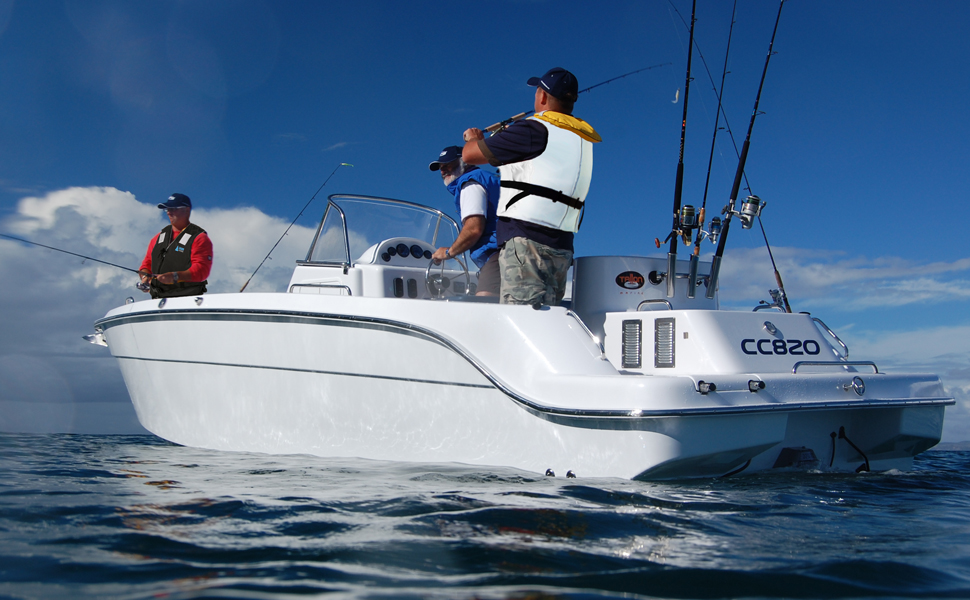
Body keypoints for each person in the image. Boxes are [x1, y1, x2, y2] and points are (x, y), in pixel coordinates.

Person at [460, 67, 601, 306]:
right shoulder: (580, 139)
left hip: (526, 245)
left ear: (543, 97)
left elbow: (469, 156)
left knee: (523, 321)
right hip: (562, 247)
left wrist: (474, 138)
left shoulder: (533, 130)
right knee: (546, 323)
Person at [429, 145, 501, 296]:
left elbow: (473, 229)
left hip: (499, 255)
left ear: (465, 162)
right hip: (508, 252)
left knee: (485, 307)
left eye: (448, 165)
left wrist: (448, 253)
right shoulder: (487, 178)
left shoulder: (470, 183)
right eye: (440, 168)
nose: (443, 171)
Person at [138, 193, 213, 299]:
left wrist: (175, 277)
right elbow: (146, 264)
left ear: (186, 210)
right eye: (167, 209)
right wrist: (145, 276)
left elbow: (202, 270)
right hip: (158, 300)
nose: (169, 212)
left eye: (174, 209)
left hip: (187, 299)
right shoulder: (157, 239)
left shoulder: (199, 238)